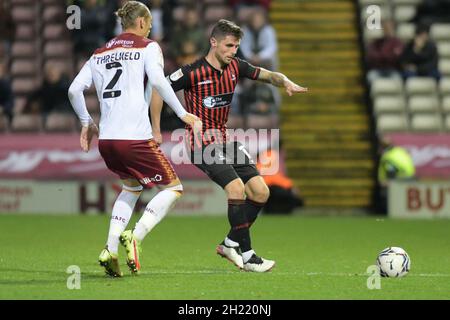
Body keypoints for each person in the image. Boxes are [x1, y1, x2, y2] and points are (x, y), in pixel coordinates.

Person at [161, 19, 307, 272]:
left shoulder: (236, 67)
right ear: (213, 42)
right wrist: (157, 125)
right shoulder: (192, 72)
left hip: (225, 140)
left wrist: (284, 81)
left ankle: (229, 243)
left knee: (261, 192)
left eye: (236, 46)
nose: (233, 51)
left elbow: (268, 75)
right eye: (229, 46)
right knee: (237, 188)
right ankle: (248, 256)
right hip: (201, 143)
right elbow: (158, 88)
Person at [68, 1, 201, 277]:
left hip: (107, 141)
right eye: (149, 23)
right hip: (134, 139)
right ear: (141, 22)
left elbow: (73, 90)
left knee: (131, 188)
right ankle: (135, 236)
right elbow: (158, 79)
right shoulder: (148, 46)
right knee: (173, 188)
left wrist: (86, 123)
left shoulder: (100, 52)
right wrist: (182, 112)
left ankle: (110, 248)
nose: (151, 28)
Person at [377, 137, 416, 214]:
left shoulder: (387, 156)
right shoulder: (400, 151)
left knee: (386, 194)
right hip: (410, 178)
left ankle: (387, 212)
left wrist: (388, 181)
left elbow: (391, 170)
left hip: (399, 179)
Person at [366, 20, 404, 84]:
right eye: (385, 28)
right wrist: (389, 54)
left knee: (397, 80)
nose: (387, 30)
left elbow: (396, 57)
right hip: (378, 69)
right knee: (370, 77)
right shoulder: (377, 42)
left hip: (392, 69)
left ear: (393, 29)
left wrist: (382, 55)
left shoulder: (397, 42)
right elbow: (372, 56)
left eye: (389, 28)